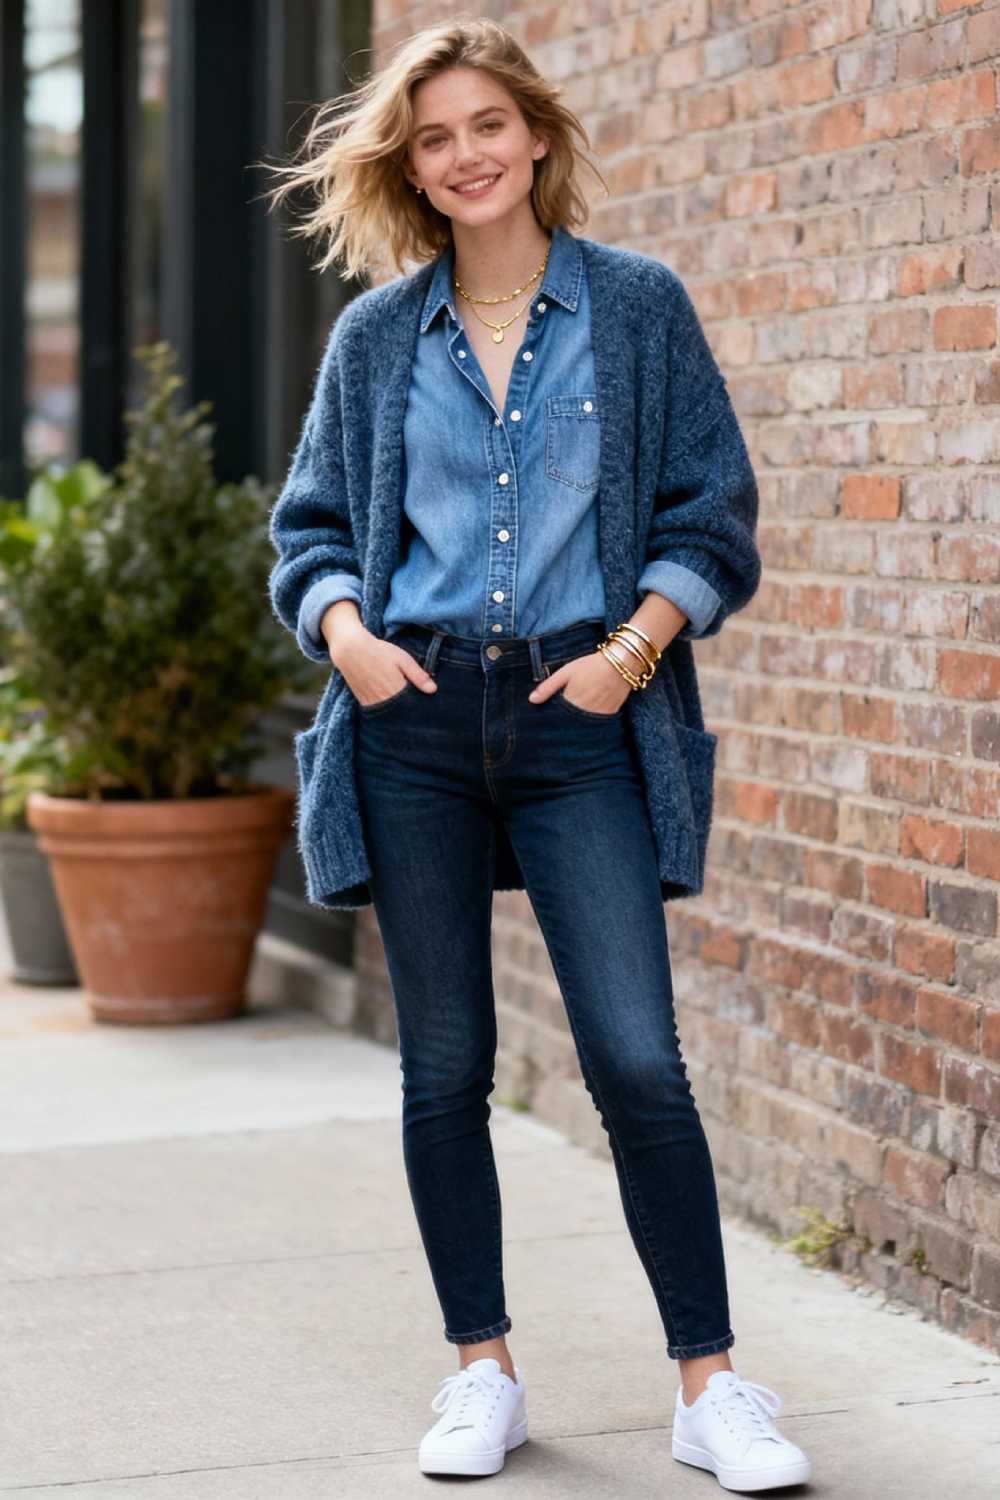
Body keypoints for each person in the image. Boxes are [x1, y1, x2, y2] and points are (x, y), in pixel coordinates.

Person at [264, 16, 812, 1493]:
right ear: (411, 164)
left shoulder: (636, 309)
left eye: (486, 126)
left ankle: (711, 1389)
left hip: (586, 716)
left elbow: (713, 517)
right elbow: (310, 529)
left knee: (640, 1058)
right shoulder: (379, 339)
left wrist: (635, 651)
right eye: (434, 137)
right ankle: (480, 1374)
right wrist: (348, 636)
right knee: (445, 1067)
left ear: (539, 135)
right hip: (416, 720)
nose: (464, 156)